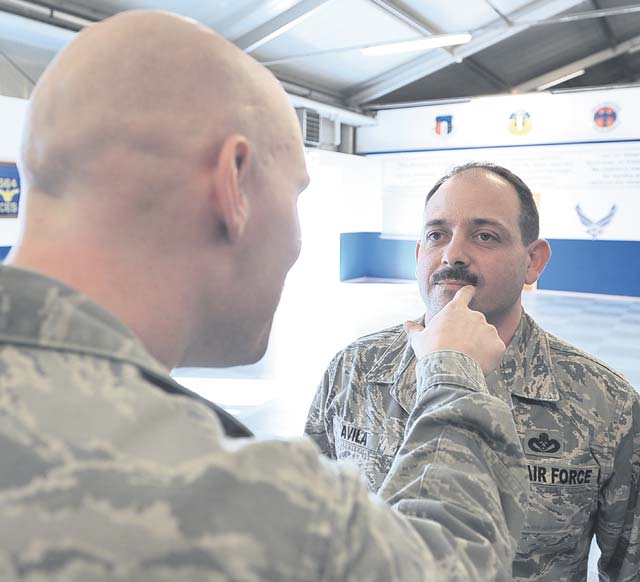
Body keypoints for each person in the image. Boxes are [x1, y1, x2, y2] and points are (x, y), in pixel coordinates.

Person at [0, 11, 529, 582]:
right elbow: (448, 565)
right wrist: (454, 377)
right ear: (234, 184)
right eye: (296, 194)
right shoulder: (249, 507)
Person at [305, 162, 640, 581]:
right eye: (436, 234)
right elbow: (311, 534)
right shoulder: (354, 370)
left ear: (533, 261)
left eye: (485, 236)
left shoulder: (605, 402)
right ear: (418, 254)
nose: (452, 254)